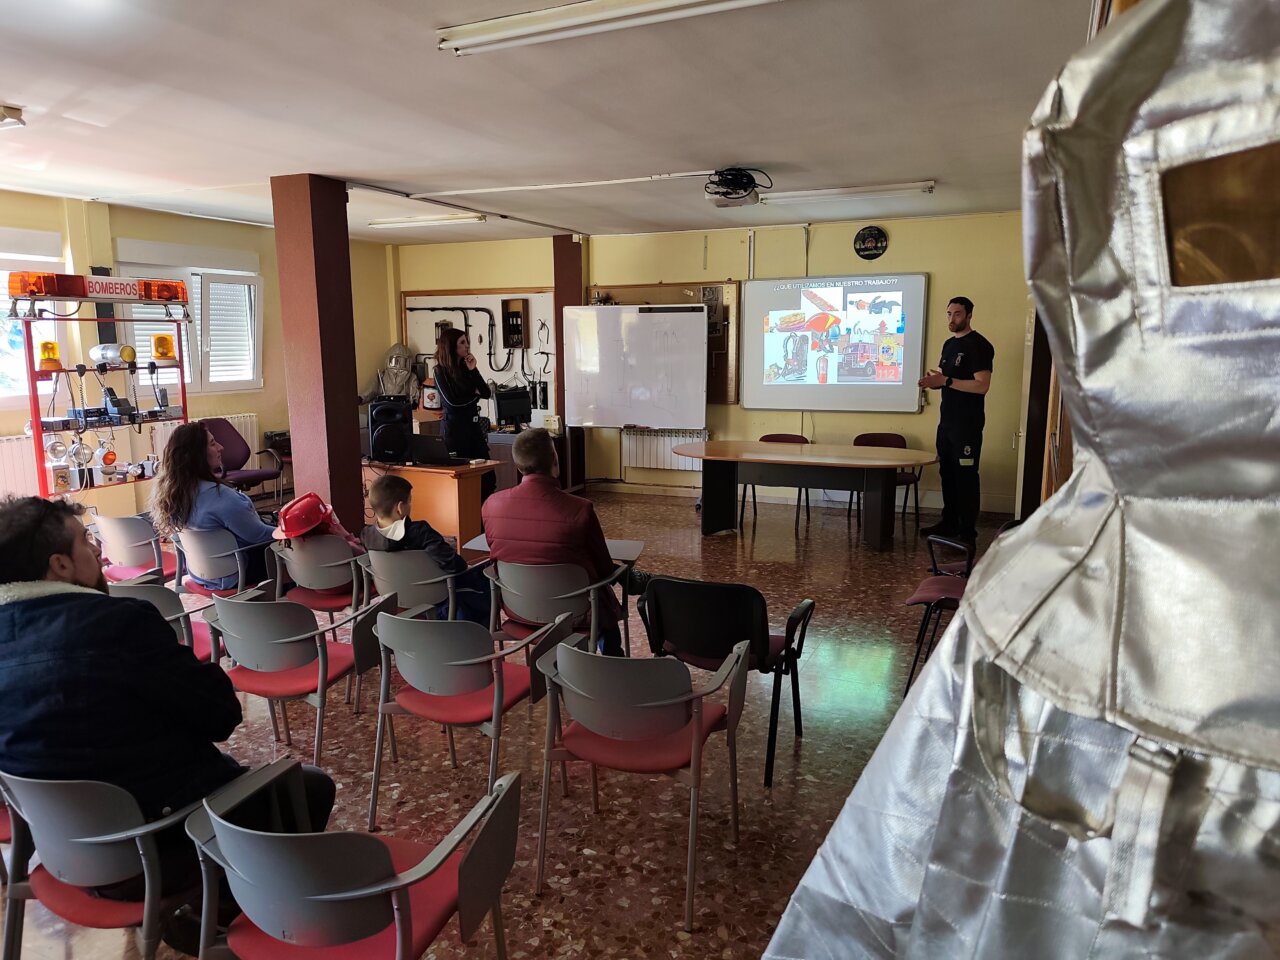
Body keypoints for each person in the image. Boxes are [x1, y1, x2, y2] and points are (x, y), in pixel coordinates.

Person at [0, 495, 335, 908]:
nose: (97, 549)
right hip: (163, 846)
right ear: (61, 565)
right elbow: (221, 716)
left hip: (64, 857)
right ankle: (221, 915)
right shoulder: (119, 625)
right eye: (86, 541)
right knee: (309, 786)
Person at [481, 428, 625, 656]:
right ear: (554, 461)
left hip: (519, 610)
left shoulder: (491, 505)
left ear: (518, 465)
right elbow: (604, 569)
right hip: (576, 615)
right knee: (604, 594)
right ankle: (610, 666)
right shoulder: (580, 509)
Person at [151, 421, 277, 590]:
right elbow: (259, 535)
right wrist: (288, 531)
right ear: (196, 455)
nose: (221, 447)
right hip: (236, 574)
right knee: (294, 551)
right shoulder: (221, 496)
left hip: (200, 572)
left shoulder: (171, 495)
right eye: (212, 443)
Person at [361, 474, 491, 624]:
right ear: (400, 507)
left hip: (395, 597)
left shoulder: (366, 535)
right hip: (438, 597)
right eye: (410, 501)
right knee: (484, 576)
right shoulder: (421, 532)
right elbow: (454, 565)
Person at [916, 296, 994, 544]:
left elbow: (982, 386)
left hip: (967, 424)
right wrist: (933, 381)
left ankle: (967, 531)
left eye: (957, 314)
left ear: (969, 315)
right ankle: (948, 523)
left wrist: (947, 381)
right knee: (947, 473)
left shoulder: (979, 345)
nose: (952, 319)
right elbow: (943, 376)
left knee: (966, 476)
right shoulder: (949, 344)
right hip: (946, 422)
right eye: (949, 314)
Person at [433, 328, 495, 501]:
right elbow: (452, 403)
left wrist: (473, 370)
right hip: (454, 433)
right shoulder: (440, 371)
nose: (467, 346)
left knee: (488, 478)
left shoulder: (466, 368)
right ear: (451, 347)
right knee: (461, 480)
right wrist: (474, 396)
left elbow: (485, 392)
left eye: (467, 342)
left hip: (473, 431)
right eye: (462, 343)